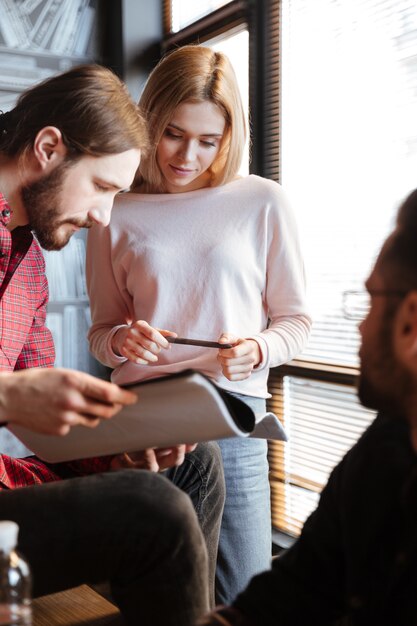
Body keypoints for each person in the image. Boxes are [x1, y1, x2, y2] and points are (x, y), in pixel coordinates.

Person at [0, 64, 225, 626]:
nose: (104, 218)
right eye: (102, 188)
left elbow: (44, 421)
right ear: (48, 147)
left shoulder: (29, 268)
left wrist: (122, 446)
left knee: (195, 465)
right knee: (154, 512)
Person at [86, 45, 311, 603]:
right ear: (149, 122)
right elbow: (102, 333)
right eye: (173, 133)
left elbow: (296, 321)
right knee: (155, 600)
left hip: (232, 418)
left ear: (229, 138)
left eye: (209, 141)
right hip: (147, 428)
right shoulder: (115, 208)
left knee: (241, 597)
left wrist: (257, 349)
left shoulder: (262, 201)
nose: (188, 155)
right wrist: (122, 340)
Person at [198, 186, 417, 625]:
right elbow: (295, 589)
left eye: (371, 300)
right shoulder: (381, 451)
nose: (359, 326)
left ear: (411, 322)